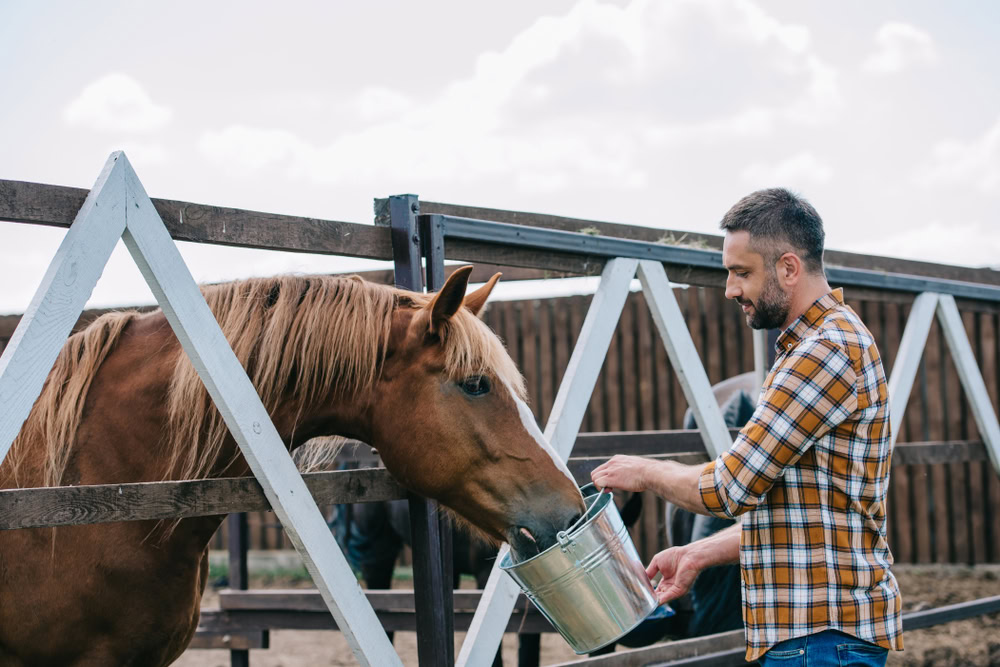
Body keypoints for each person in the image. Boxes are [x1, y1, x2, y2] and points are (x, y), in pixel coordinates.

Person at [592, 188, 902, 665]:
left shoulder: (824, 352)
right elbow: (801, 515)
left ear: (788, 268)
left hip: (818, 642)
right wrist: (700, 552)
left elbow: (730, 488)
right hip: (816, 638)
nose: (730, 289)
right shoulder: (817, 347)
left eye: (742, 273)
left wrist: (645, 471)